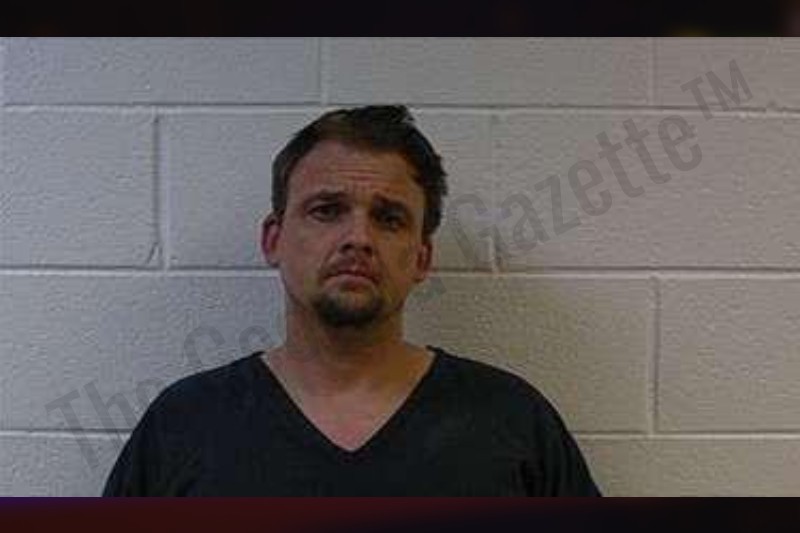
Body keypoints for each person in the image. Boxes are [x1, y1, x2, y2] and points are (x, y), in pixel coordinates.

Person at [102, 105, 601, 496]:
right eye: (327, 210)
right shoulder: (185, 424)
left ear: (422, 257)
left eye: (389, 219)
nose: (358, 238)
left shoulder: (512, 421)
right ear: (273, 239)